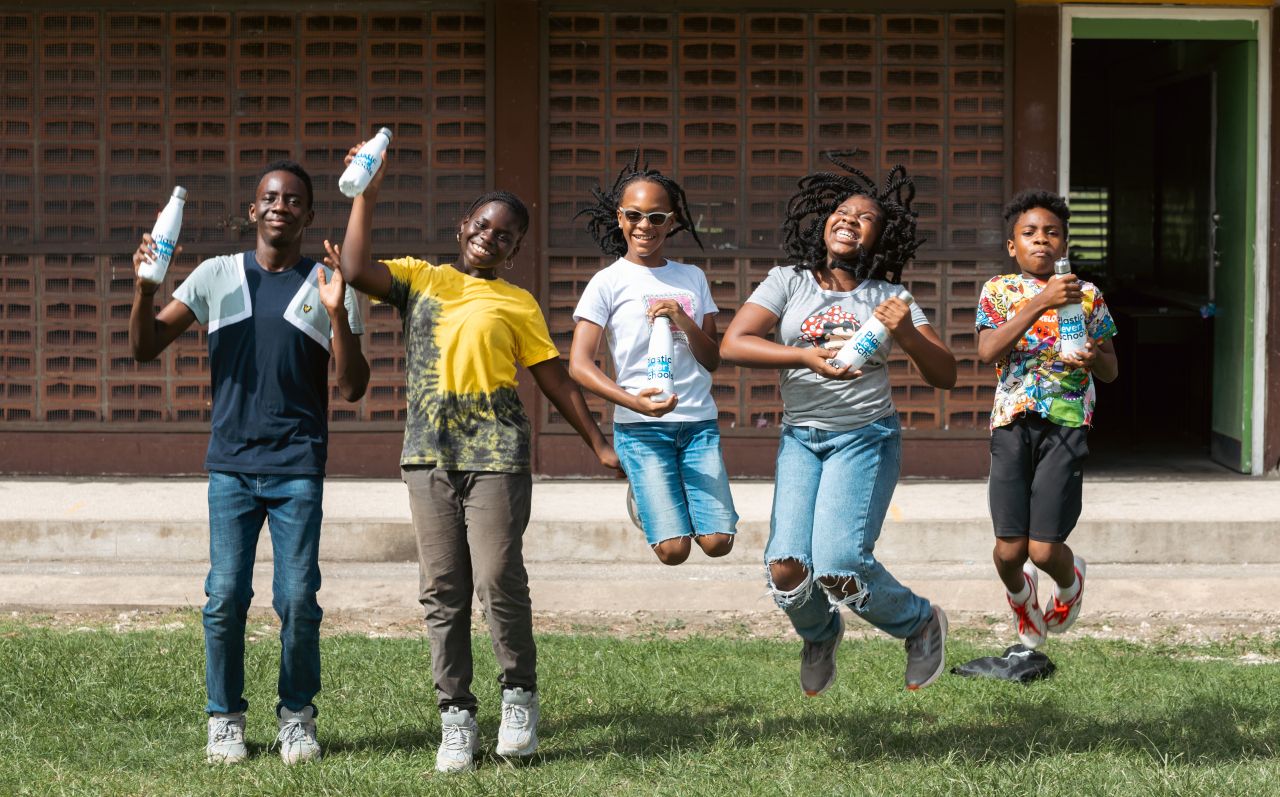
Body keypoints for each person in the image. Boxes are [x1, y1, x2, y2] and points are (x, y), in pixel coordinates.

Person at [330, 145, 620, 774]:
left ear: (515, 250)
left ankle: (518, 696)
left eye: (506, 234)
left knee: (497, 580)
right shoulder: (422, 280)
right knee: (442, 591)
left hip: (496, 458)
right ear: (464, 227)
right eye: (483, 225)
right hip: (428, 458)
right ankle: (456, 716)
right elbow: (354, 269)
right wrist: (366, 194)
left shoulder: (518, 304)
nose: (491, 237)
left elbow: (555, 381)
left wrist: (597, 442)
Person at [129, 160, 369, 765]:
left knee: (296, 600)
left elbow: (353, 387)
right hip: (232, 467)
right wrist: (143, 288)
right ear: (254, 209)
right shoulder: (216, 275)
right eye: (270, 197)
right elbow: (143, 346)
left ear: (309, 215)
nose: (280, 206)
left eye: (293, 200)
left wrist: (339, 312)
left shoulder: (328, 281)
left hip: (297, 468)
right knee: (225, 597)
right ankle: (225, 719)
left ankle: (296, 716)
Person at [720, 152, 955, 693]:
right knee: (785, 567)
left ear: (881, 238)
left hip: (864, 437)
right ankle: (821, 633)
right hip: (801, 437)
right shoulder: (788, 281)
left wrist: (910, 333)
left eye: (865, 216)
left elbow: (945, 374)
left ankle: (919, 623)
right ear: (823, 223)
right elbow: (736, 342)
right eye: (841, 211)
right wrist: (804, 357)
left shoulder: (890, 297)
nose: (849, 218)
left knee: (840, 563)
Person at [568, 155, 737, 565]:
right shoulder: (607, 282)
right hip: (641, 428)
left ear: (672, 220)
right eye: (635, 215)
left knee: (718, 543)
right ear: (620, 218)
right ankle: (647, 494)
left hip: (697, 424)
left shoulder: (692, 277)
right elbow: (579, 364)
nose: (645, 225)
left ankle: (664, 489)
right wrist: (632, 403)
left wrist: (681, 317)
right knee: (673, 551)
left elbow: (712, 358)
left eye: (657, 217)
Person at [976, 189, 1118, 649]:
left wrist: (1094, 357)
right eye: (1030, 233)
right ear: (1012, 246)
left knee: (1042, 549)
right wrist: (1040, 303)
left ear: (1065, 244)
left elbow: (1112, 370)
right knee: (1009, 551)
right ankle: (1021, 598)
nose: (1042, 241)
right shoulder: (998, 290)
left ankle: (1070, 581)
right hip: (1012, 422)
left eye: (1052, 233)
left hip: (1067, 423)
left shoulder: (1088, 295)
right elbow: (987, 350)